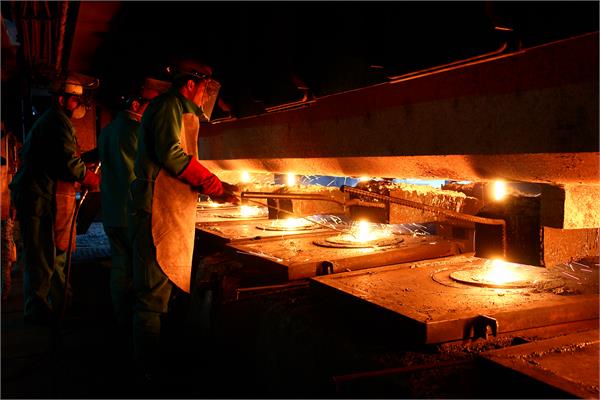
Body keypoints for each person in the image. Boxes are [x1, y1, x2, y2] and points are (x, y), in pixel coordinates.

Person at [129, 60, 237, 379]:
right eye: (205, 87)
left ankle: (156, 358)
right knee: (151, 297)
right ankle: (147, 372)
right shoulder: (168, 107)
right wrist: (213, 185)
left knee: (160, 291)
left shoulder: (179, 110)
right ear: (190, 84)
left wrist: (214, 186)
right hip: (155, 208)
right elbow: (171, 154)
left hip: (167, 206)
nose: (206, 95)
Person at [9, 73, 100, 324]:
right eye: (75, 100)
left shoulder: (55, 121)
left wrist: (87, 160)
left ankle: (60, 304)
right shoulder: (57, 122)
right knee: (41, 256)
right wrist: (89, 177)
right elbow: (68, 163)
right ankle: (37, 310)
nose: (79, 105)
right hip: (37, 196)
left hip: (41, 195)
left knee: (53, 253)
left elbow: (64, 157)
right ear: (62, 99)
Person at [98, 78, 169, 331]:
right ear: (136, 104)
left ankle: (121, 322)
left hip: (111, 212)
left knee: (120, 269)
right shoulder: (138, 131)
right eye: (152, 104)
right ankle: (143, 329)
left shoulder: (107, 131)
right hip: (133, 213)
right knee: (143, 276)